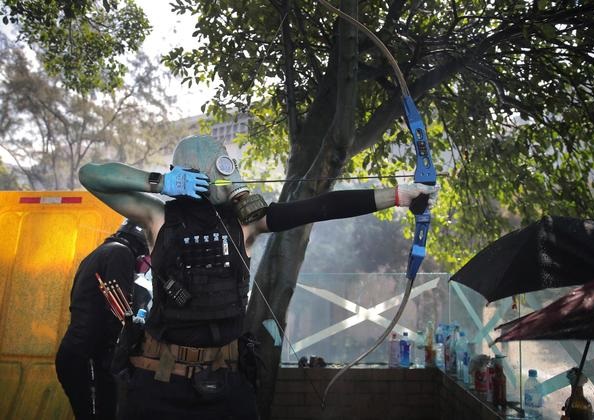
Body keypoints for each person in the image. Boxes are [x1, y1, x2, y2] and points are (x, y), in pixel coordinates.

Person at [78, 134, 438, 420]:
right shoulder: (157, 216)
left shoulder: (246, 222)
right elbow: (91, 175)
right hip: (159, 384)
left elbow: (320, 207)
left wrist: (398, 196)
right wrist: (159, 182)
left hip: (226, 384)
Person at [56, 220, 150, 420]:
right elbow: (119, 310)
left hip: (78, 353)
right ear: (139, 244)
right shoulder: (121, 253)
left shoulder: (99, 253)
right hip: (87, 355)